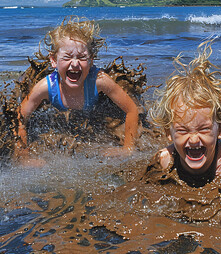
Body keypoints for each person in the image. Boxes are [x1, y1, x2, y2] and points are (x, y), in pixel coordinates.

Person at [16, 16, 139, 166]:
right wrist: (23, 156)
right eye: (67, 57)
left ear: (91, 60)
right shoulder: (46, 87)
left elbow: (132, 109)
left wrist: (128, 148)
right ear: (54, 60)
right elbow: (20, 117)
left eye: (82, 57)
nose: (75, 64)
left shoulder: (99, 81)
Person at [149, 40, 221, 184]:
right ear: (168, 133)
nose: (194, 139)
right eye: (182, 130)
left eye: (204, 129)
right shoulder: (163, 161)